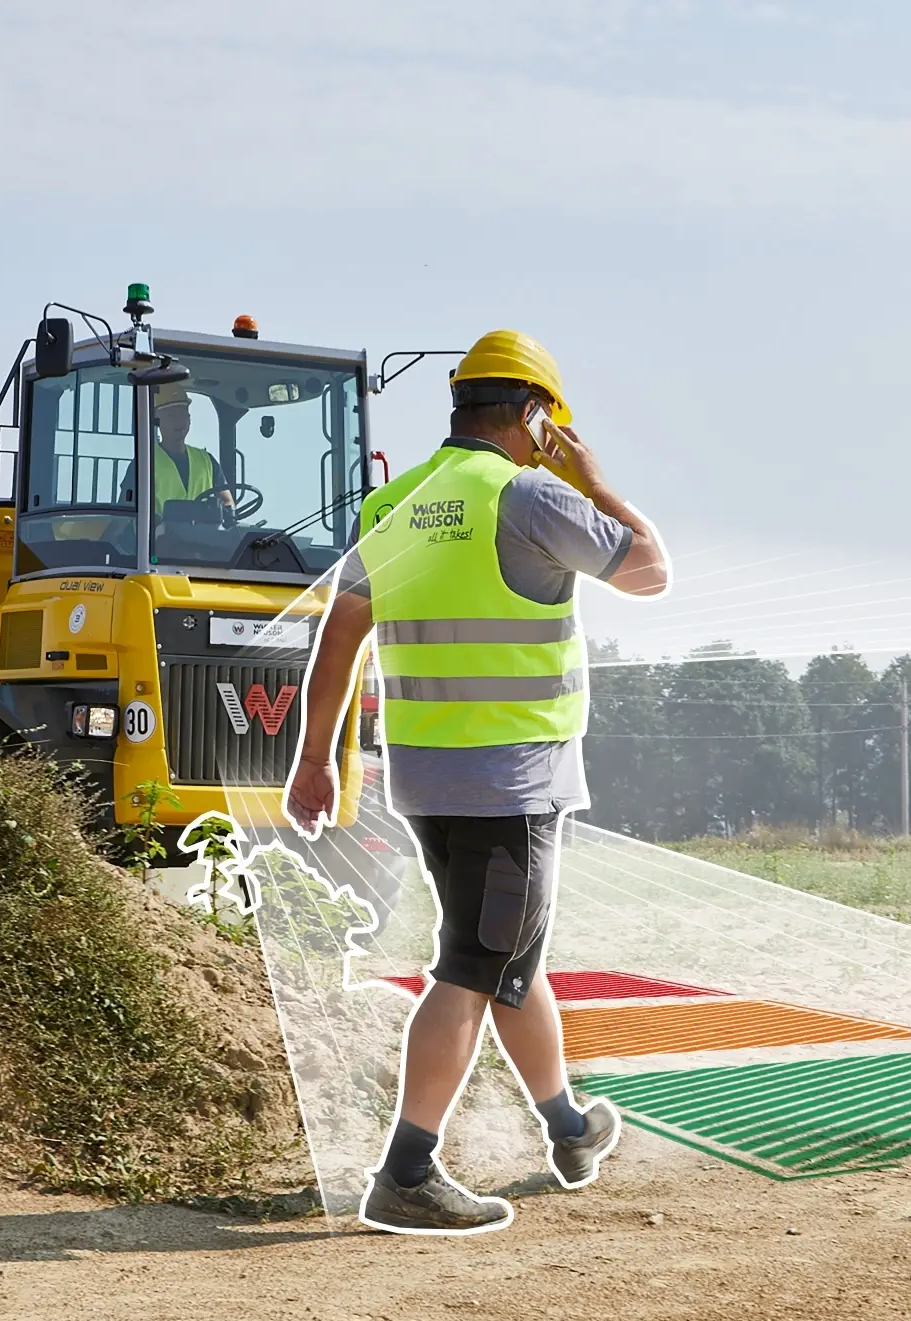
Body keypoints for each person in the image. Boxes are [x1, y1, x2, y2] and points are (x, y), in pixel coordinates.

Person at [284, 329, 670, 1234]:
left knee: (505, 953)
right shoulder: (530, 495)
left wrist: (314, 759)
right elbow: (651, 572)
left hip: (427, 779)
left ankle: (568, 1128)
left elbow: (340, 635)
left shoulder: (401, 498)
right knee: (473, 967)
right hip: (514, 780)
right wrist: (596, 481)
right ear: (535, 416)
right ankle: (408, 1171)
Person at [148, 385, 229, 510]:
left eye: (183, 414)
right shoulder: (144, 464)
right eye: (171, 415)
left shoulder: (207, 461)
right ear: (157, 420)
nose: (179, 421)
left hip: (204, 530)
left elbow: (227, 502)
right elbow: (128, 514)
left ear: (189, 419)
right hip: (154, 530)